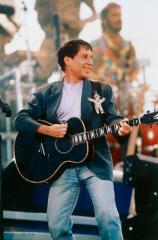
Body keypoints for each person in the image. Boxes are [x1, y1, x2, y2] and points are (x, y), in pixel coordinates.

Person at [15, 39, 132, 240]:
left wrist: (122, 127)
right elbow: (21, 119)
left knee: (108, 217)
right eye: (85, 56)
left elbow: (113, 117)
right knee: (57, 225)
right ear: (68, 60)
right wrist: (47, 130)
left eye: (92, 57)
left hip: (96, 163)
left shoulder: (102, 90)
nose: (90, 62)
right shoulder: (46, 92)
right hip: (62, 166)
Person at [91, 2, 139, 117]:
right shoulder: (95, 46)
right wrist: (101, 79)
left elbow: (134, 72)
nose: (119, 19)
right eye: (114, 15)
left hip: (128, 104)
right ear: (105, 19)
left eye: (120, 15)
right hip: (103, 105)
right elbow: (86, 73)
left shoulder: (128, 47)